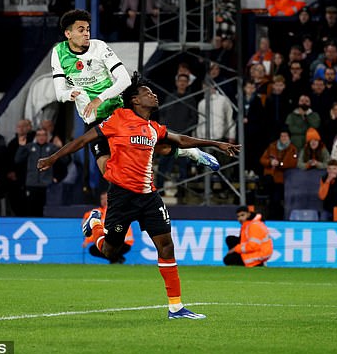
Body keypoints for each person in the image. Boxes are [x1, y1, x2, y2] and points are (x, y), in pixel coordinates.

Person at [38, 73, 240, 319]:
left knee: (166, 246)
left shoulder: (153, 128)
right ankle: (95, 226)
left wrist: (215, 144)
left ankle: (176, 308)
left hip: (148, 196)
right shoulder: (118, 119)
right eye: (147, 93)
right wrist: (52, 158)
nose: (154, 95)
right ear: (134, 100)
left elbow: (181, 139)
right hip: (122, 197)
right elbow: (82, 140)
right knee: (111, 251)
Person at [50, 9, 218, 182]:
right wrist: (70, 93)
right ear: (68, 33)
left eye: (87, 29)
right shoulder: (58, 53)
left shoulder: (99, 47)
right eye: (81, 30)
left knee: (150, 145)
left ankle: (192, 152)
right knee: (106, 170)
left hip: (118, 109)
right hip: (93, 118)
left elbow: (124, 80)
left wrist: (99, 99)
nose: (87, 33)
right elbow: (60, 93)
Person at [82, 191, 134, 263]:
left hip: (123, 242)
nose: (103, 201)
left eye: (106, 198)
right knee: (94, 249)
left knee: (98, 249)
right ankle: (116, 259)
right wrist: (85, 219)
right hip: (117, 241)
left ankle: (116, 259)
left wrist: (87, 240)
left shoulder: (113, 210)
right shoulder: (103, 211)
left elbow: (99, 227)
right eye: (102, 199)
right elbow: (89, 215)